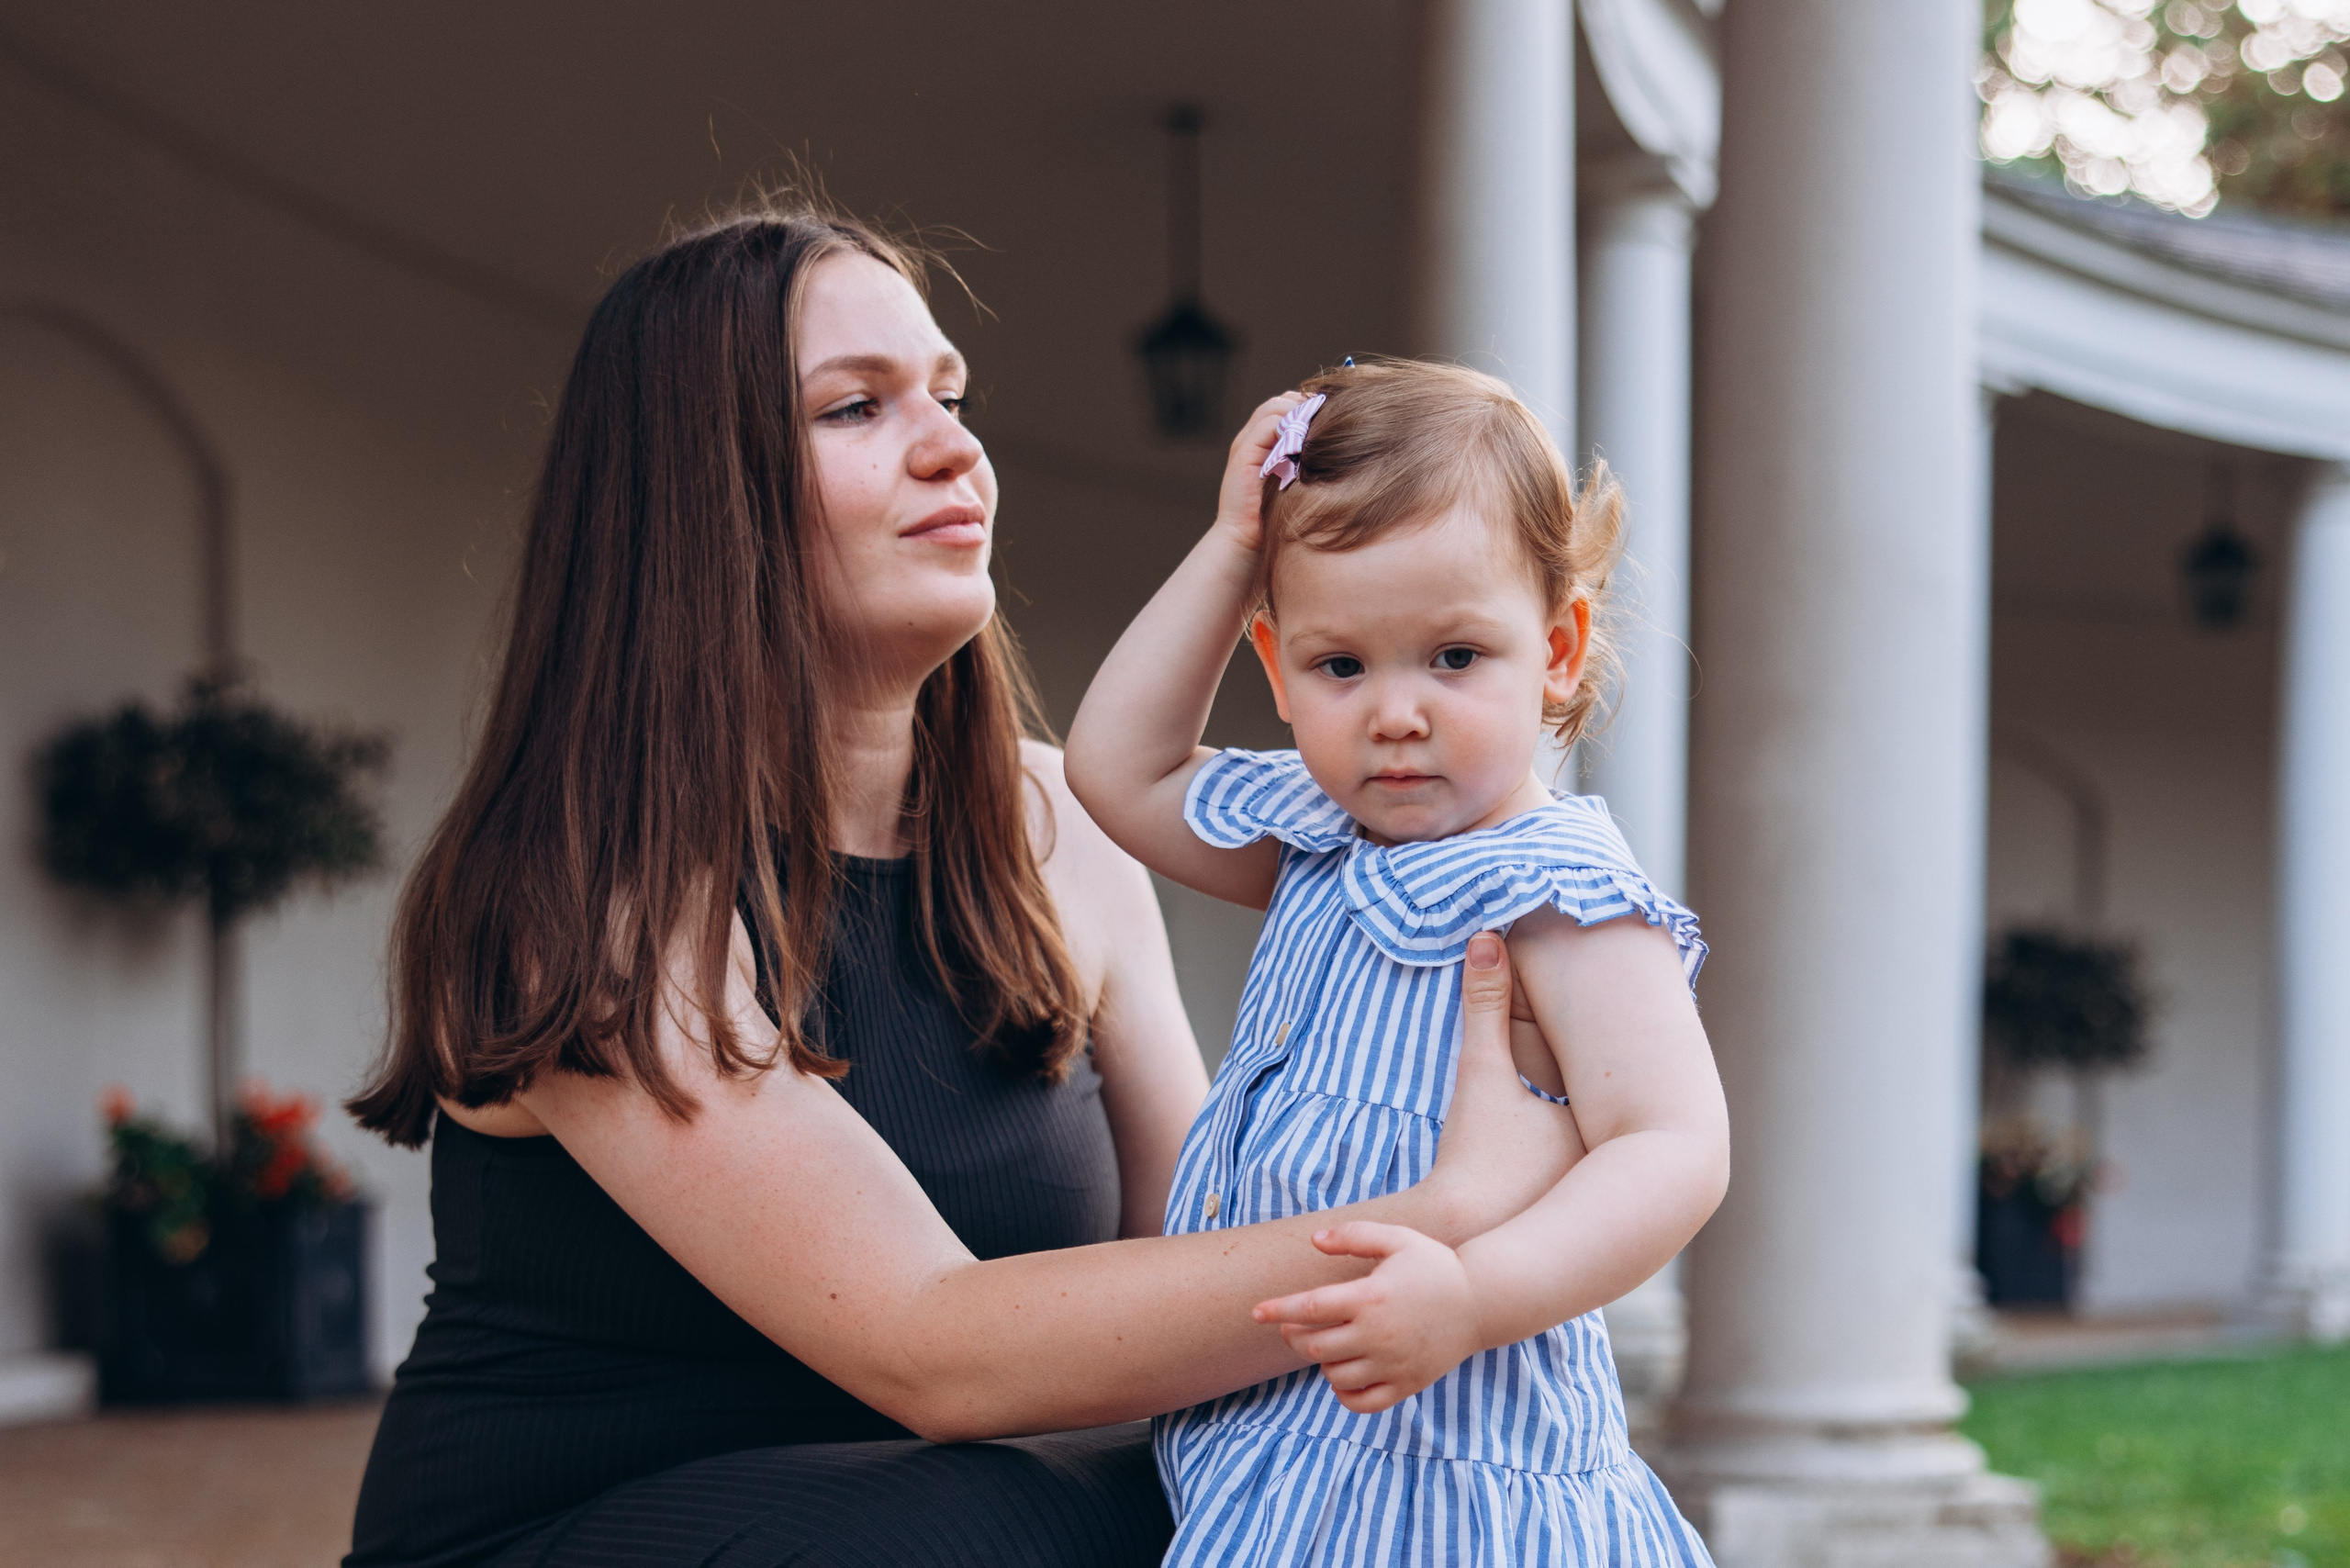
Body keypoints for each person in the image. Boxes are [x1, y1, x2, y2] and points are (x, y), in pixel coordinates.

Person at [340, 207, 1578, 1568]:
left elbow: (1207, 1255)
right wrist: (1445, 1219)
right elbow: (933, 1351)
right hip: (588, 1530)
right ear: (696, 496)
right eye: (856, 407)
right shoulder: (584, 888)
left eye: (951, 395)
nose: (954, 448)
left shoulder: (1060, 830)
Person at [1063, 358, 1732, 1566]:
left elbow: (1673, 1147)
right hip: (1284, 1443)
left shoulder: (1556, 891)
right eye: (1342, 666)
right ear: (1276, 668)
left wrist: (1479, 1295)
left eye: (1456, 656)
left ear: (1559, 650)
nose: (1397, 713)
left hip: (1449, 1466)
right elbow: (1118, 767)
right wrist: (1231, 548)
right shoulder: (1317, 838)